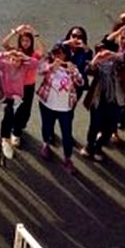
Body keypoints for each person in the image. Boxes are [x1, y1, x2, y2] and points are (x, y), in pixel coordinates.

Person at [36, 44, 83, 172]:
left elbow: (81, 82)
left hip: (65, 108)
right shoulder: (48, 64)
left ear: (66, 55)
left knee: (67, 134)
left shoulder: (71, 67)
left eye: (61, 53)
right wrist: (51, 67)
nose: (57, 56)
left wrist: (73, 72)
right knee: (47, 126)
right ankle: (46, 144)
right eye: (55, 53)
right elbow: (40, 71)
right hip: (47, 104)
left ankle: (68, 158)